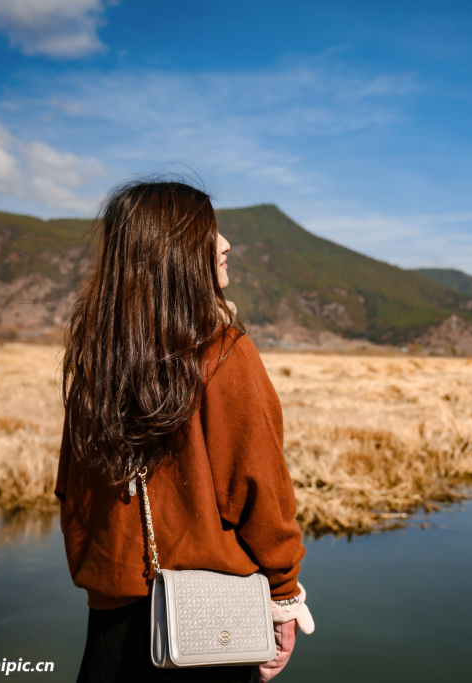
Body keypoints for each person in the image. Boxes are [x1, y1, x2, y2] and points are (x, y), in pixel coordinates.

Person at [55, 179, 313, 683]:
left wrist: (111, 572)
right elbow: (258, 488)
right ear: (173, 252)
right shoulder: (223, 351)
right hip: (207, 626)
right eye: (210, 232)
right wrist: (284, 597)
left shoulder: (97, 360)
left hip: (110, 625)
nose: (225, 245)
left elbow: (71, 494)